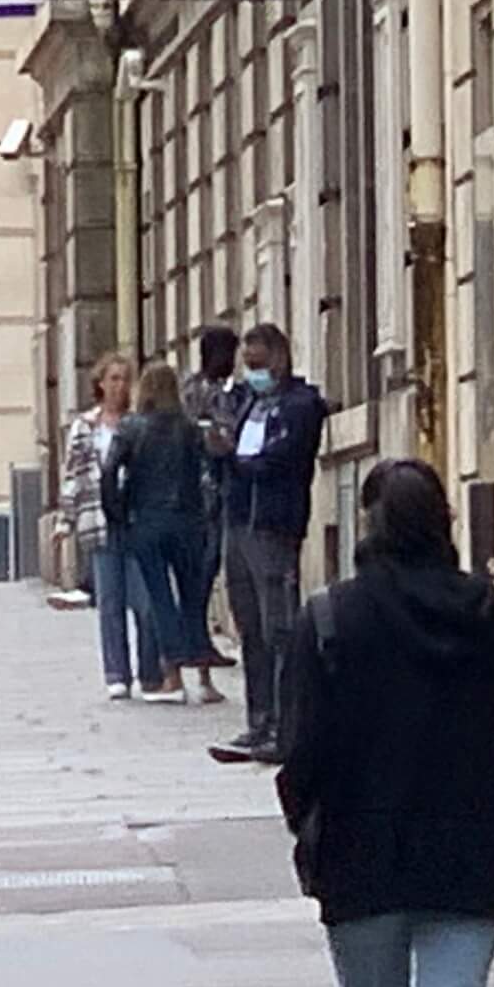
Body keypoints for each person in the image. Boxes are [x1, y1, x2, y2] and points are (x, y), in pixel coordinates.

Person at [276, 459, 494, 987]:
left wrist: (309, 825)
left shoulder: (330, 621)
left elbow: (300, 754)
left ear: (369, 525)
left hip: (359, 861)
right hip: (472, 861)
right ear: (444, 523)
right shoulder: (486, 617)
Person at [208, 322, 329, 764]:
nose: (252, 372)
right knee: (251, 629)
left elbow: (281, 459)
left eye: (258, 363)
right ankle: (259, 719)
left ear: (278, 358)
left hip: (273, 524)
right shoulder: (249, 404)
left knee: (279, 628)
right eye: (247, 364)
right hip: (239, 521)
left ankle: (284, 724)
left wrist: (235, 460)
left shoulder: (300, 405)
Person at [101, 363, 217, 705]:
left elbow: (109, 472)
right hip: (188, 522)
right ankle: (204, 677)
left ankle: (173, 675)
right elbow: (208, 473)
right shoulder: (191, 429)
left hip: (147, 522)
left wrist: (117, 515)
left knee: (160, 596)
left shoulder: (132, 427)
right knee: (193, 596)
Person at [61, 351, 163, 700]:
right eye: (113, 379)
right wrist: (66, 520)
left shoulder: (141, 423)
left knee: (146, 601)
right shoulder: (84, 426)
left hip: (137, 522)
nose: (120, 386)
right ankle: (116, 673)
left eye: (125, 379)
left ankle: (151, 673)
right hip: (99, 522)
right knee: (110, 601)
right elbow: (73, 475)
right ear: (100, 384)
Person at [178, 326, 243, 683]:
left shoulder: (194, 387)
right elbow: (218, 438)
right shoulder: (207, 391)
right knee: (204, 569)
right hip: (208, 491)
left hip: (204, 491)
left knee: (204, 571)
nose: (232, 364)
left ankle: (196, 641)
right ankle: (196, 642)